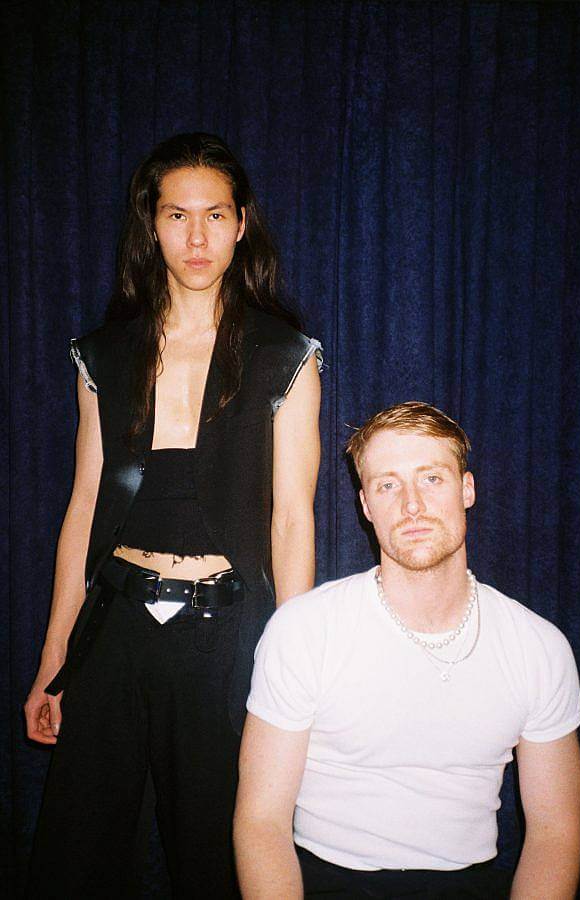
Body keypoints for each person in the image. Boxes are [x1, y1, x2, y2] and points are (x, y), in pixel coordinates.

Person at [24, 132, 321, 898]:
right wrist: (55, 657)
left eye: (215, 215)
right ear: (150, 226)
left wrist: (296, 670)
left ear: (241, 223)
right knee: (73, 854)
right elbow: (85, 504)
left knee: (220, 857)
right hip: (116, 628)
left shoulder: (283, 354)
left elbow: (291, 518)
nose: (196, 237)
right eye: (177, 216)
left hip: (224, 637)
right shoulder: (104, 353)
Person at [234, 401, 580, 899]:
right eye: (388, 484)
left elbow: (554, 833)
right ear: (366, 505)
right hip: (325, 880)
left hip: (469, 884)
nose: (412, 505)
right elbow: (261, 823)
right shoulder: (304, 630)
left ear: (467, 489)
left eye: (432, 479)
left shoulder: (538, 647)